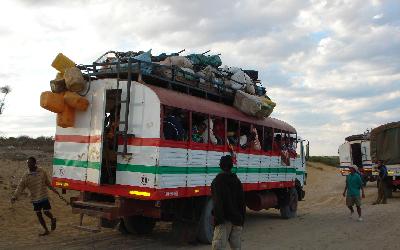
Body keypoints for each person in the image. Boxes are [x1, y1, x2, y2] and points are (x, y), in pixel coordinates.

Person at [11, 157, 57, 236]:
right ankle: (46, 230)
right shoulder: (26, 175)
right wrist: (15, 196)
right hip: (35, 197)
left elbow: (47, 182)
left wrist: (53, 189)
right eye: (27, 163)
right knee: (38, 214)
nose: (28, 165)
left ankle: (53, 219)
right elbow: (20, 186)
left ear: (34, 163)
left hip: (43, 195)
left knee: (46, 212)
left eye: (30, 163)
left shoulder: (42, 171)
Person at [211, 155, 245, 250]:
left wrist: (218, 220)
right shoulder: (237, 181)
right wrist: (241, 220)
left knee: (218, 247)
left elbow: (218, 203)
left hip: (224, 221)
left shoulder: (217, 182)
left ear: (220, 166)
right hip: (237, 220)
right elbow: (242, 202)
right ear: (231, 166)